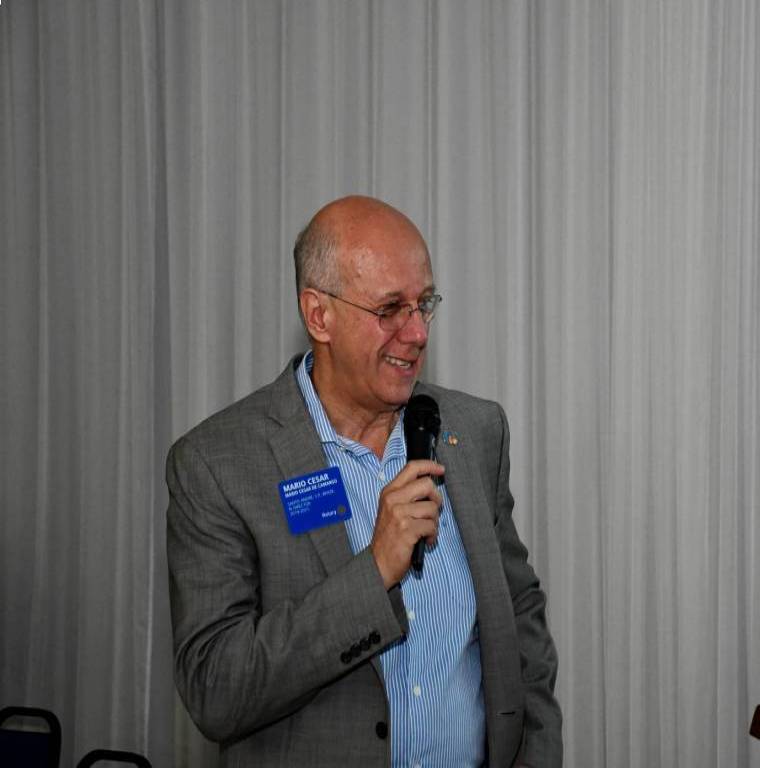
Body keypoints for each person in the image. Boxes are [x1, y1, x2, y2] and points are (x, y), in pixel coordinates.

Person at [166, 196, 561, 767]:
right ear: (318, 315)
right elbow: (216, 690)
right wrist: (374, 571)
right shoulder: (217, 464)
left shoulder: (474, 431)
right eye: (390, 308)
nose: (417, 332)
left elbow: (520, 617)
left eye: (424, 304)